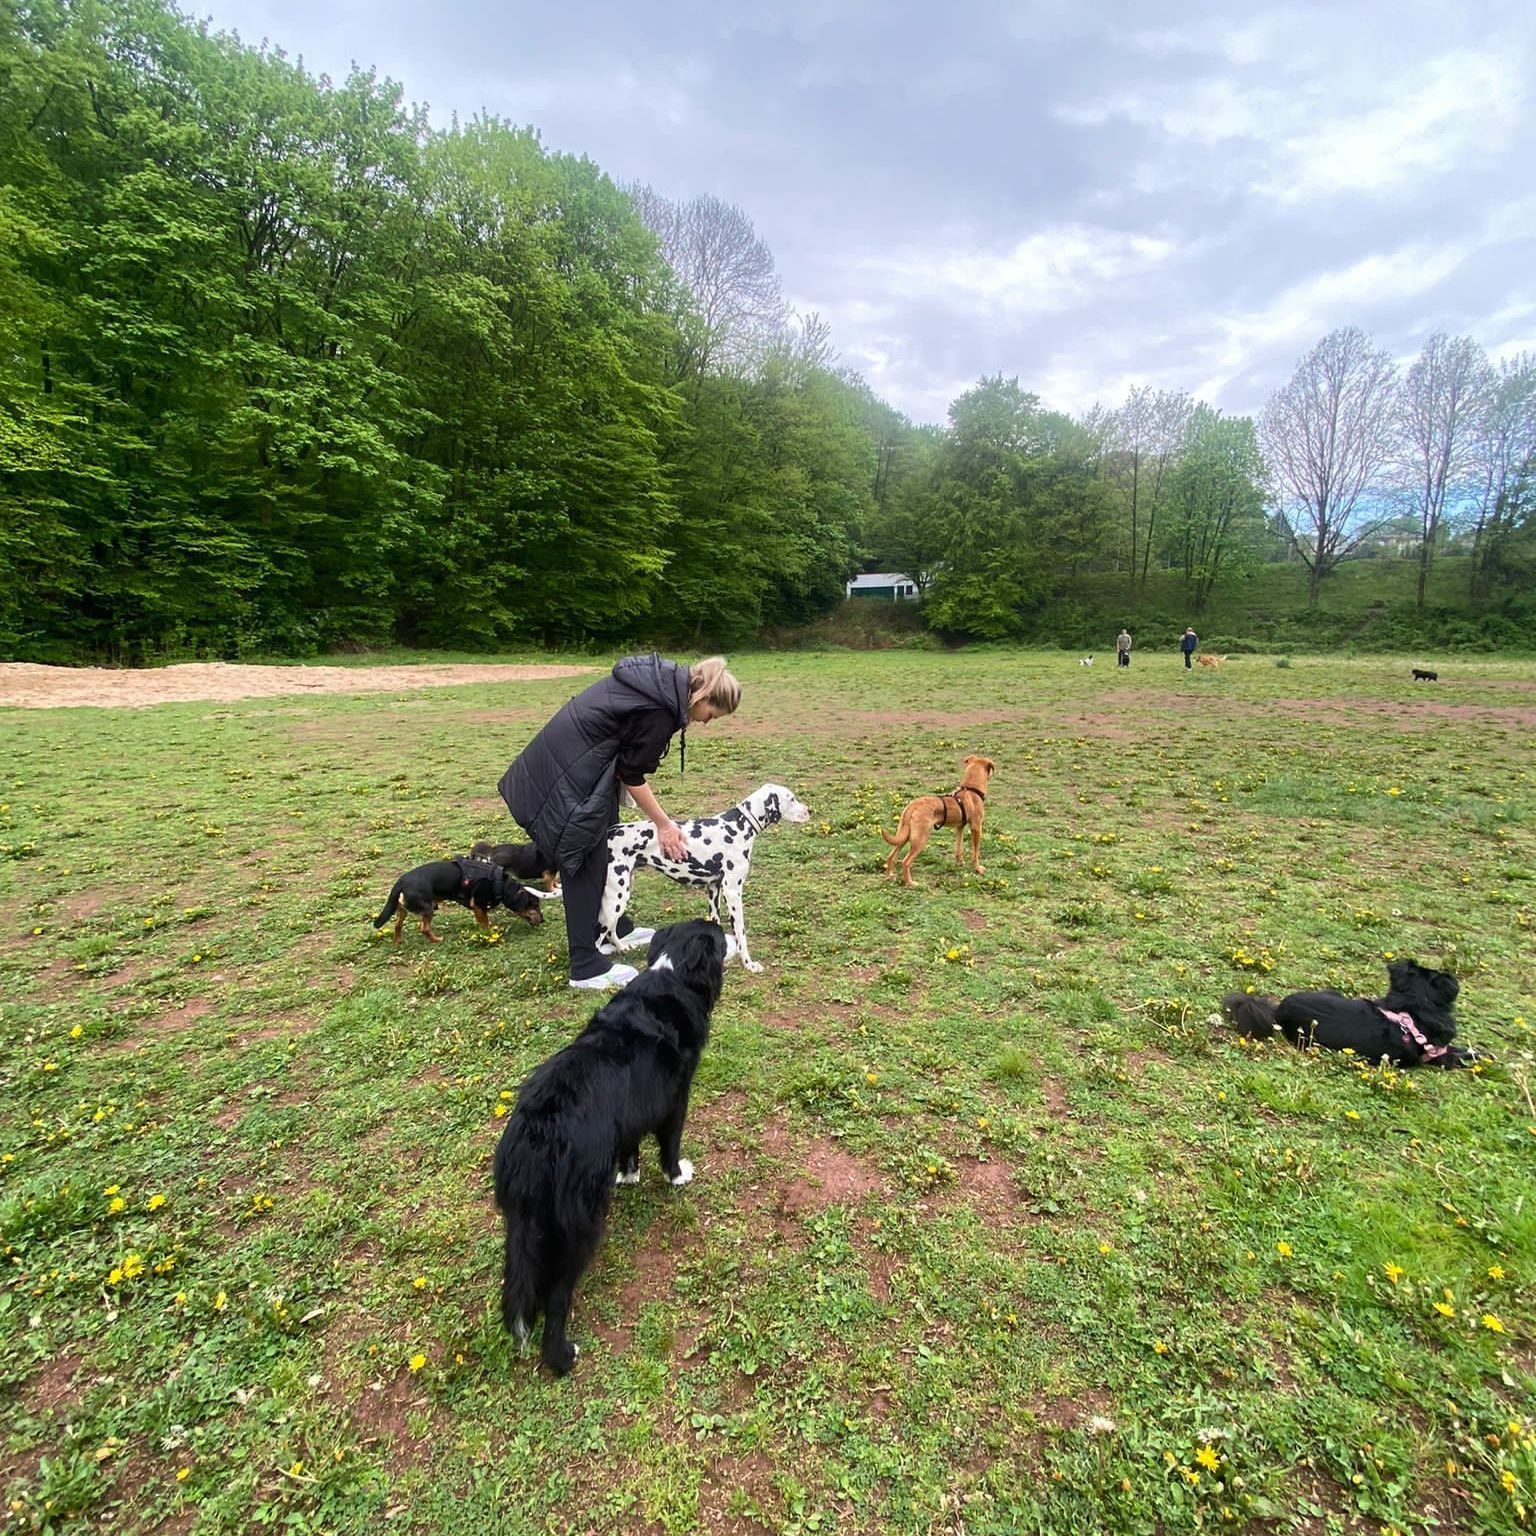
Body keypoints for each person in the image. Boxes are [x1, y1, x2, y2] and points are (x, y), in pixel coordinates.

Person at [498, 654, 741, 990]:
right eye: (712, 715)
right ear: (703, 697)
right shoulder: (661, 709)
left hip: (579, 763)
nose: (706, 722)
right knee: (585, 855)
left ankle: (617, 927)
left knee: (609, 840)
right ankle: (584, 965)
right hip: (569, 771)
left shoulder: (663, 684)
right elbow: (631, 773)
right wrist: (664, 825)